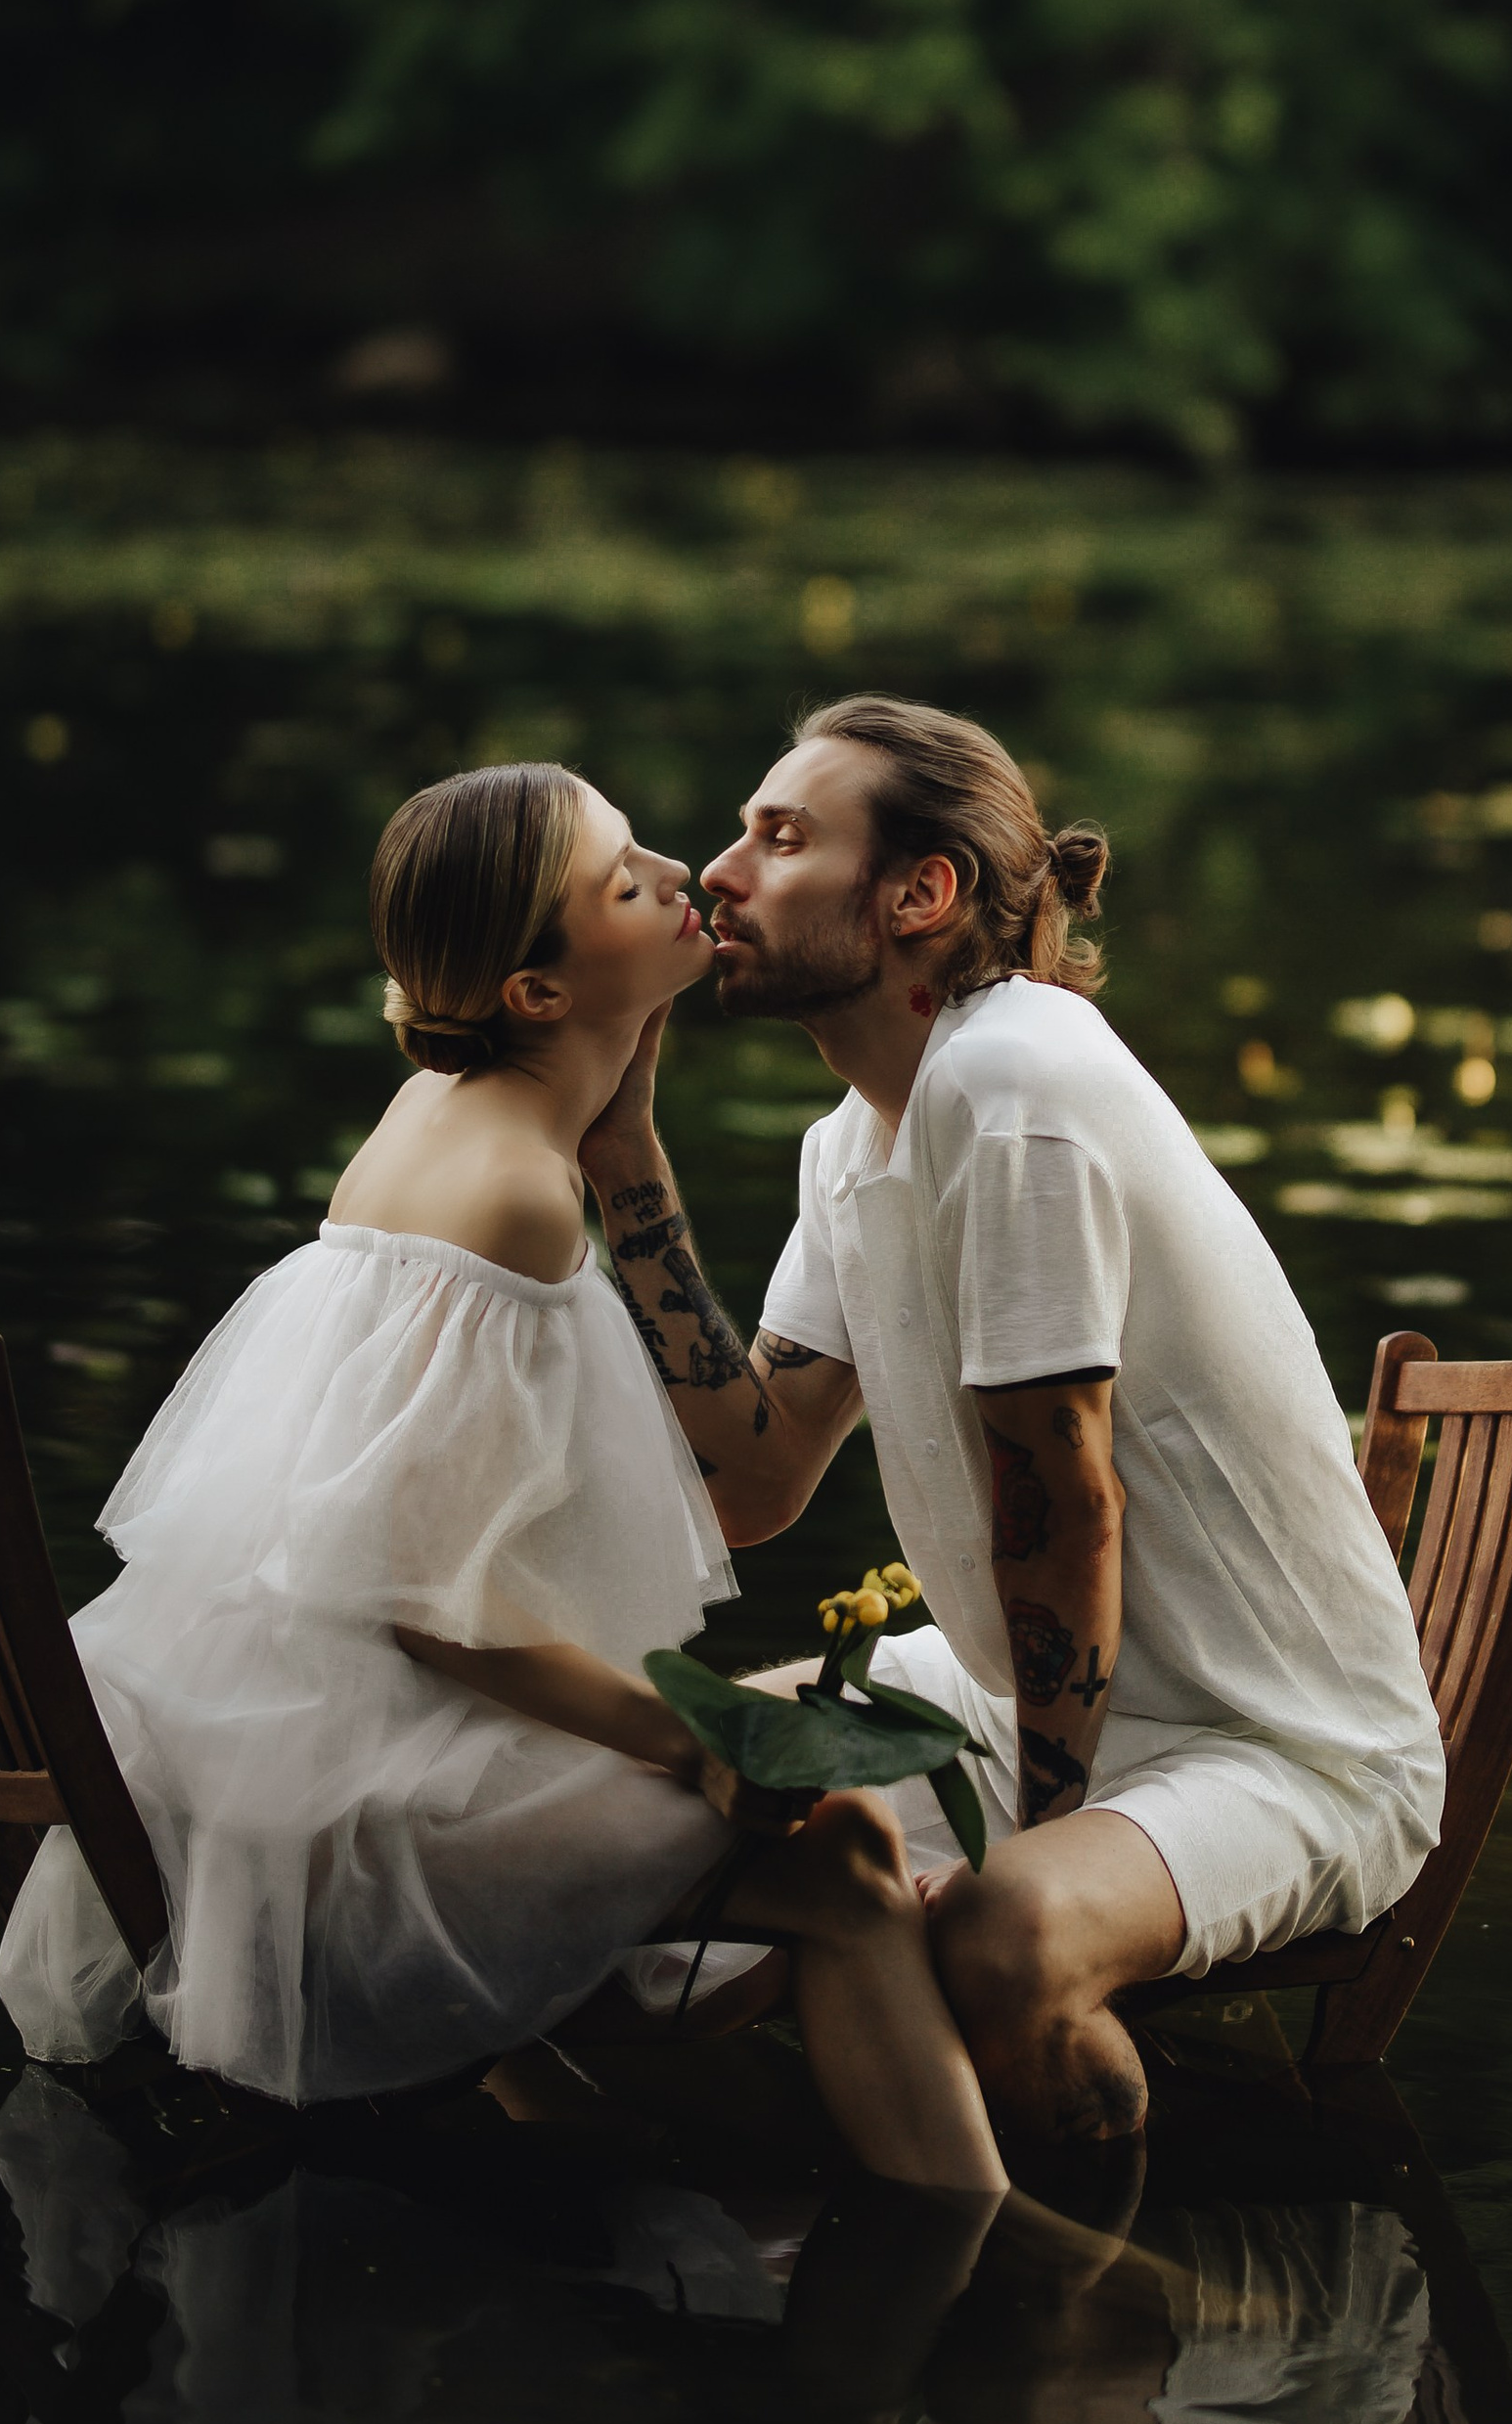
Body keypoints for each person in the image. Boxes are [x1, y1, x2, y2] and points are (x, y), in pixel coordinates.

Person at [0, 760, 1003, 2197]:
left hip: (298, 1761)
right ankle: (990, 2260)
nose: (684, 873)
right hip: (357, 1819)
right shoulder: (513, 1200)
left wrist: (629, 1136)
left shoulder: (452, 1119)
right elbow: (432, 1611)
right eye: (625, 877)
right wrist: (691, 1745)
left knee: (812, 1769)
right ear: (539, 992)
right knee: (843, 1851)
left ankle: (632, 2153)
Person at [576, 696, 1445, 2158]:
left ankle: (1106, 2319)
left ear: (921, 894)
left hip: (1278, 1747)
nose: (718, 870)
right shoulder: (853, 1139)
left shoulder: (1019, 1079)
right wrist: (626, 1158)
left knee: (1002, 1936)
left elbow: (1067, 1503)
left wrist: (1031, 1843)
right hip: (1012, 1700)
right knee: (627, 1802)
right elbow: (758, 1478)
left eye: (780, 836)